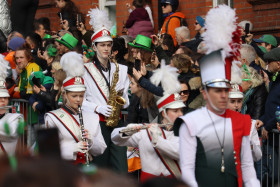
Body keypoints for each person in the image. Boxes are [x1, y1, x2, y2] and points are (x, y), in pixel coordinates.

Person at [177, 50, 259, 187]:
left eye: (225, 90)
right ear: (204, 93)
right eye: (216, 91)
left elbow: (247, 166)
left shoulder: (242, 121)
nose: (222, 96)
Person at [112, 65, 184, 182]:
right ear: (164, 113)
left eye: (181, 110)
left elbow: (180, 152)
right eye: (175, 111)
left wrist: (157, 141)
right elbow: (115, 139)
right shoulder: (147, 132)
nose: (180, 114)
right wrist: (129, 130)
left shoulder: (184, 132)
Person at [82, 8, 130, 172]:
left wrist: (121, 102)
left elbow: (127, 99)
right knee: (100, 168)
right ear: (94, 47)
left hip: (118, 122)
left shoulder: (121, 69)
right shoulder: (84, 69)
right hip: (97, 123)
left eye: (109, 45)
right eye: (102, 45)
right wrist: (98, 107)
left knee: (121, 169)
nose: (106, 49)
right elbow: (79, 101)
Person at [44, 52, 107, 163]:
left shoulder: (92, 117)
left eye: (81, 96)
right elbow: (48, 150)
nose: (78, 99)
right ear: (64, 95)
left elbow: (101, 149)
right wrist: (73, 148)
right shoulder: (52, 117)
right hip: (64, 169)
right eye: (74, 96)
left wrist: (91, 140)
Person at [0, 55, 23, 156]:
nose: (3, 101)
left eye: (5, 98)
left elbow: (10, 132)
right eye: (0, 98)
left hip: (7, 165)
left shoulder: (17, 117)